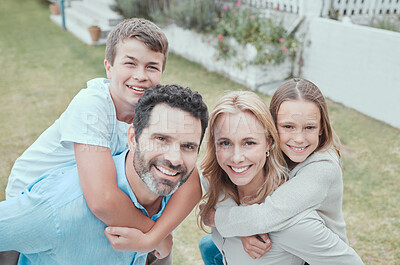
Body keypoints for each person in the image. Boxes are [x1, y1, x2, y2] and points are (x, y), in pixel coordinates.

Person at [2, 18, 202, 264]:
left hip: (87, 204)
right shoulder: (92, 106)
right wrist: (155, 236)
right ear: (108, 66)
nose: (140, 76)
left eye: (152, 67)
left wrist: (154, 237)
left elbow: (192, 184)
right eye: (130, 63)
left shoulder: (149, 111)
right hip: (38, 204)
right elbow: (103, 198)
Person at [199, 89, 364, 264]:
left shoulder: (292, 223)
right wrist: (241, 231)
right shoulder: (217, 182)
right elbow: (207, 175)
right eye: (225, 143)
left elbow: (269, 215)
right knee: (207, 246)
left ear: (269, 142)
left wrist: (217, 218)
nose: (236, 157)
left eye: (249, 142)